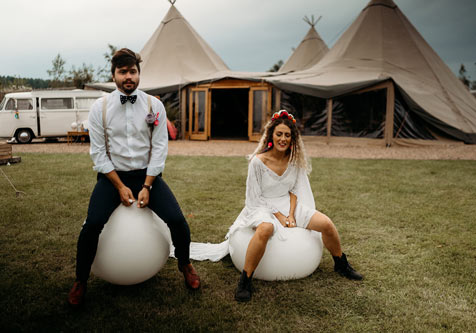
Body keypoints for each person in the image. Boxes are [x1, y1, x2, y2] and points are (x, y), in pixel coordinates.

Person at [67, 48, 200, 307]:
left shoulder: (154, 105)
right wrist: (119, 186)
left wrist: (148, 185)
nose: (128, 76)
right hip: (110, 177)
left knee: (177, 220)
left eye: (133, 71)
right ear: (114, 75)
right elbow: (98, 153)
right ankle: (80, 280)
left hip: (146, 175)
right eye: (123, 72)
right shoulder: (99, 108)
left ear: (139, 74)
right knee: (92, 224)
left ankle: (185, 265)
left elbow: (160, 148)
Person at [188, 110, 362, 302]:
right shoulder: (258, 162)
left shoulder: (294, 160)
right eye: (279, 134)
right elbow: (254, 198)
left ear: (292, 138)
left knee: (326, 224)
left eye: (287, 135)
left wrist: (293, 214)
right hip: (261, 206)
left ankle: (340, 263)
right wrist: (280, 216)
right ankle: (245, 280)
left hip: (289, 204)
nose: (283, 139)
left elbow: (295, 189)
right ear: (271, 135)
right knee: (266, 229)